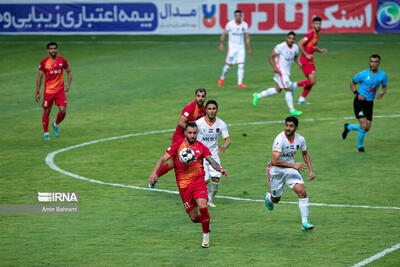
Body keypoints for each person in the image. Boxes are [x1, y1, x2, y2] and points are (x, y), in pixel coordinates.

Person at [149, 122, 228, 248]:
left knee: (203, 206)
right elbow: (163, 160)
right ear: (185, 133)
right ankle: (205, 223)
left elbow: (211, 161)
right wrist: (154, 173)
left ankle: (206, 236)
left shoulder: (201, 147)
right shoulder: (177, 146)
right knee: (194, 217)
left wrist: (220, 169)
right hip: (184, 187)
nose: (192, 135)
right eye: (190, 133)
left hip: (198, 182)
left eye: (194, 133)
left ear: (197, 133)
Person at [264, 116, 316, 231]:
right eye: (286, 125)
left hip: (290, 170)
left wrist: (311, 170)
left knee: (302, 191)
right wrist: (293, 165)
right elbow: (274, 161)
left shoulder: (300, 139)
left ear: (296, 128)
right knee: (276, 199)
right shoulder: (280, 139)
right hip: (275, 171)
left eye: (291, 126)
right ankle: (268, 197)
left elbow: (305, 153)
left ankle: (305, 222)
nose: (288, 128)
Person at [151, 89, 207, 187]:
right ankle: (154, 176)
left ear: (205, 98)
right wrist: (191, 132)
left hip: (191, 137)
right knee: (174, 163)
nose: (200, 98)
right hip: (180, 137)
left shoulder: (205, 110)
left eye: (202, 96)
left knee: (194, 160)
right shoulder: (190, 108)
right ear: (195, 97)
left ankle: (192, 184)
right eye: (198, 96)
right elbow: (181, 122)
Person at [342, 54, 388, 152]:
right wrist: (356, 94)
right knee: (363, 125)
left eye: (375, 62)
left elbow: (384, 87)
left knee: (367, 128)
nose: (373, 64)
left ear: (379, 63)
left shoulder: (382, 75)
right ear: (369, 62)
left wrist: (381, 93)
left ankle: (349, 127)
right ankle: (360, 147)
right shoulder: (363, 74)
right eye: (371, 61)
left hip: (369, 103)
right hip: (359, 102)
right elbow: (352, 83)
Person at [252, 31, 303, 116]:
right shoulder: (281, 46)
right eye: (289, 38)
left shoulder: (295, 48)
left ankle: (258, 95)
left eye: (293, 39)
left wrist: (298, 63)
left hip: (286, 72)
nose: (291, 40)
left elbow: (295, 56)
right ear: (286, 38)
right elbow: (270, 56)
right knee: (289, 89)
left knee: (277, 90)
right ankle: (292, 110)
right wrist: (274, 67)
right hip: (280, 71)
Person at [195, 100, 230, 207]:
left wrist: (225, 145)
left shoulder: (221, 124)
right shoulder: (199, 123)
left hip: (213, 156)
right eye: (209, 109)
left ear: (217, 110)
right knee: (204, 180)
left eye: (213, 109)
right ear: (206, 110)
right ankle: (197, 199)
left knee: (216, 179)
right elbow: (190, 135)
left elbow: (227, 139)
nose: (211, 111)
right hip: (201, 156)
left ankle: (209, 199)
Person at [35, 42, 72, 140]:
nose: (53, 50)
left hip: (60, 91)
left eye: (54, 48)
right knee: (47, 111)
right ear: (48, 50)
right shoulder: (44, 63)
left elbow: (69, 72)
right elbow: (40, 77)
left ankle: (55, 124)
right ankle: (46, 133)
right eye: (51, 48)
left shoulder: (62, 60)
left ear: (57, 49)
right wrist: (38, 92)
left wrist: (68, 83)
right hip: (49, 92)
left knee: (63, 111)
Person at [291, 16, 327, 105]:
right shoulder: (310, 33)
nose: (318, 25)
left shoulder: (316, 34)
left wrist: (320, 50)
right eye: (316, 24)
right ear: (312, 24)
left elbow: (312, 46)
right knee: (312, 81)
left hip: (311, 61)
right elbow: (300, 43)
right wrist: (306, 55)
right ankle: (294, 85)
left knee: (311, 82)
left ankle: (301, 99)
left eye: (319, 24)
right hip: (305, 61)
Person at [218, 9, 252, 88]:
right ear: (234, 16)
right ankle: (222, 78)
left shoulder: (244, 25)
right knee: (228, 65)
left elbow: (247, 37)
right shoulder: (230, 24)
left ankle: (240, 83)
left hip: (241, 48)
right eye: (236, 16)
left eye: (239, 15)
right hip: (232, 48)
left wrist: (250, 48)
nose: (238, 17)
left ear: (241, 16)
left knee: (241, 65)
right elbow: (224, 34)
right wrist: (221, 44)